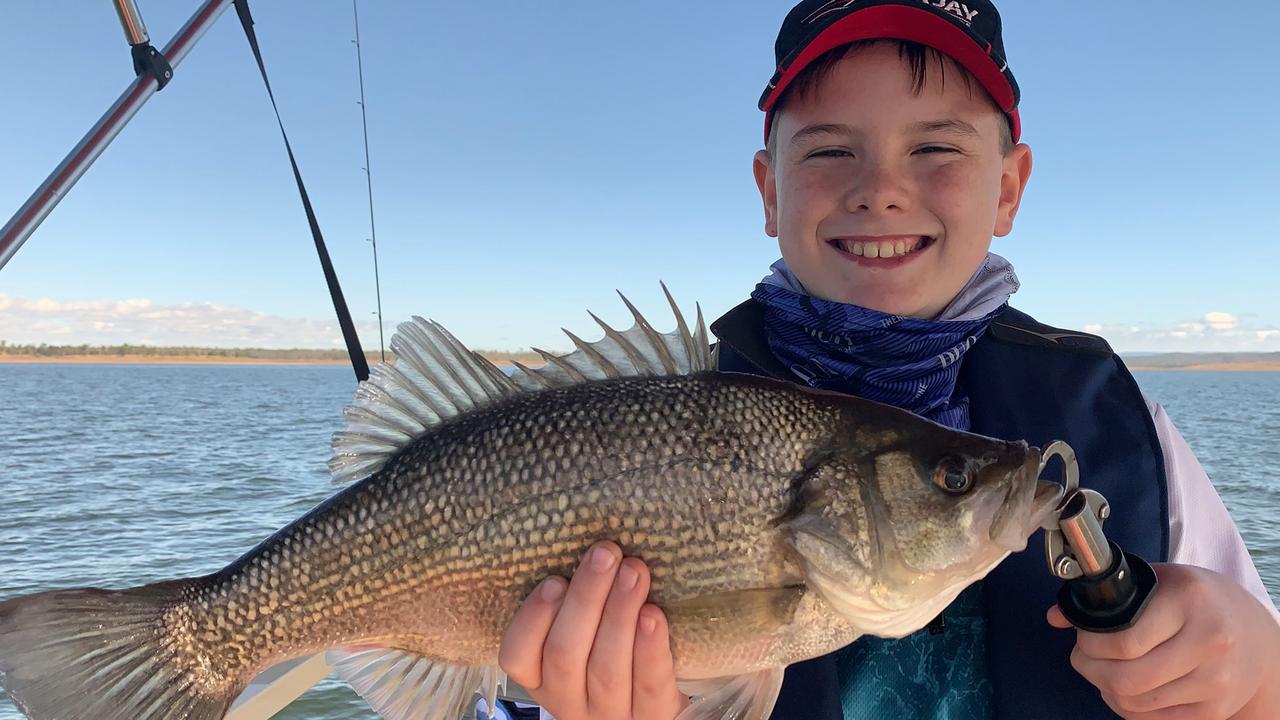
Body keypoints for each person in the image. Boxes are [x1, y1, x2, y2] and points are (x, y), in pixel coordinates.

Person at [496, 1, 1280, 718]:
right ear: (770, 192)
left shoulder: (1119, 424)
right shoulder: (677, 398)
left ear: (1008, 188)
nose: (881, 190)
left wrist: (1254, 668)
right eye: (831, 150)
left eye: (937, 145)